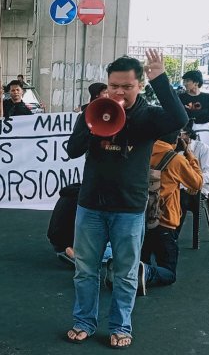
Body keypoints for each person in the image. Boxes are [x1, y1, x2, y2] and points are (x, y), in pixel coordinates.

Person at [65, 50, 188, 349]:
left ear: (139, 85)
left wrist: (160, 79)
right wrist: (94, 127)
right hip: (91, 205)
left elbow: (179, 118)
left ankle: (120, 325)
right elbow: (72, 150)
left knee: (126, 273)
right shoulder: (93, 110)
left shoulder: (148, 117)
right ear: (107, 85)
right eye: (114, 86)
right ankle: (84, 322)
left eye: (127, 86)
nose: (119, 92)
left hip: (129, 208)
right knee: (85, 271)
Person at [139, 131, 203, 293]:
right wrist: (189, 153)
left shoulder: (141, 151)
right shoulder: (176, 160)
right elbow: (197, 183)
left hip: (138, 219)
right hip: (164, 222)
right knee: (169, 273)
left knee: (141, 257)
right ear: (176, 140)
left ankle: (135, 272)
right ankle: (145, 273)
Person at [176, 125, 209, 238]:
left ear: (188, 135)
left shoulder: (202, 148)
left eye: (180, 134)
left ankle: (172, 237)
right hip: (178, 186)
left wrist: (194, 183)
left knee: (181, 199)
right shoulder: (173, 147)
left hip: (197, 189)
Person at [178, 70, 209, 149]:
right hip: (186, 134)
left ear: (196, 82)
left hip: (205, 133)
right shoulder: (181, 97)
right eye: (184, 81)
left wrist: (193, 119)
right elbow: (179, 115)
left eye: (187, 81)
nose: (185, 83)